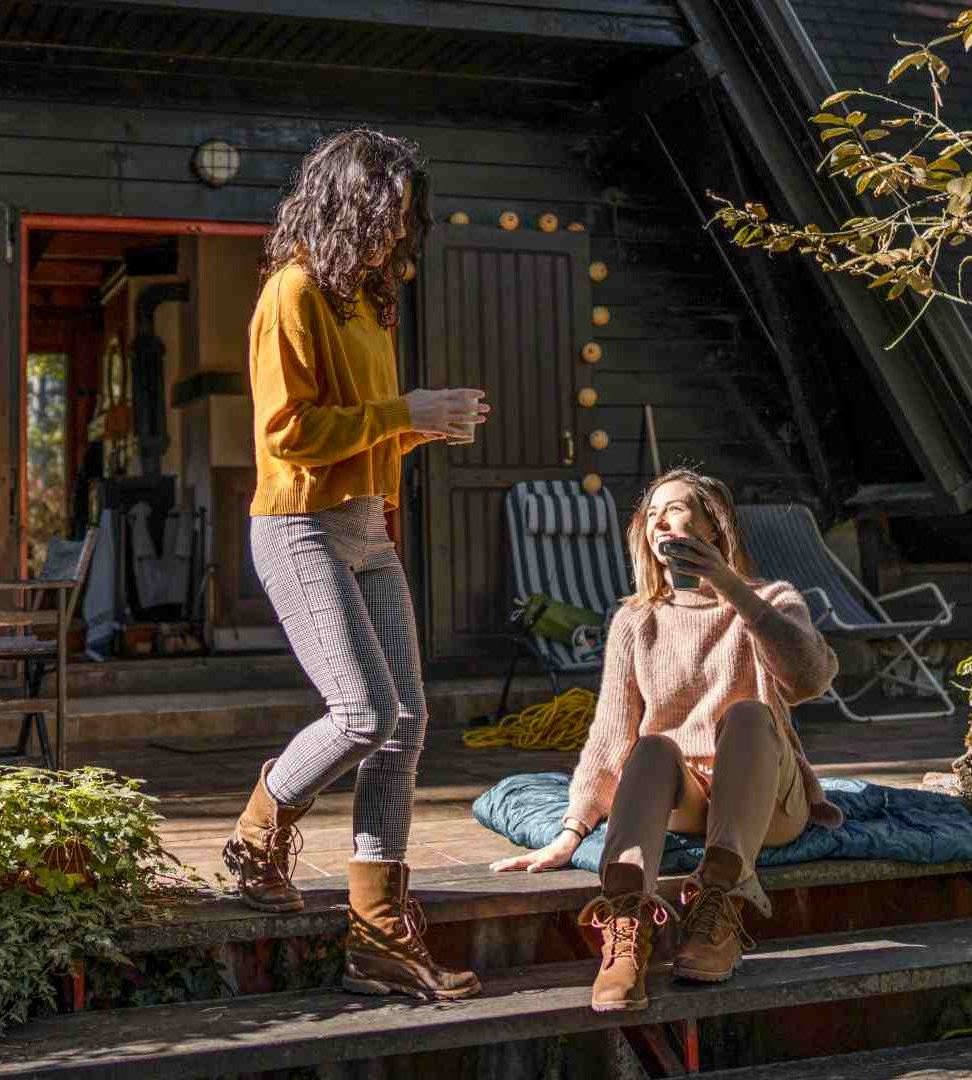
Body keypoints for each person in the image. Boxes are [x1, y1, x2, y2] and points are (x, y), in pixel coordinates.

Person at [224, 128, 488, 1003]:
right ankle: (258, 828)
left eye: (406, 218)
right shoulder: (290, 293)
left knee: (405, 723)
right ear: (346, 203)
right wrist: (398, 410)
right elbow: (289, 435)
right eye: (386, 213)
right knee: (364, 710)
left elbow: (366, 426)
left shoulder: (367, 302)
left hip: (366, 528)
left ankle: (377, 932)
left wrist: (422, 422)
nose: (395, 232)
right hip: (299, 527)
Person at [492, 469, 841, 1013]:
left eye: (675, 509)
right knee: (651, 747)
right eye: (651, 514)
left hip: (768, 798)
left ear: (714, 526)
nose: (660, 522)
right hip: (689, 797)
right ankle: (626, 921)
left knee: (748, 714)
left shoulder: (771, 599)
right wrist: (572, 828)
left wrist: (731, 589)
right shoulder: (636, 619)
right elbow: (610, 733)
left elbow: (811, 678)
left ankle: (719, 905)